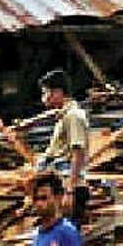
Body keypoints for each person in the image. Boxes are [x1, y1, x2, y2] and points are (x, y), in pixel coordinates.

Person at [38, 69, 89, 223]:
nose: (44, 98)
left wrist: (69, 191)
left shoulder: (74, 115)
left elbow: (77, 153)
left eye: (45, 92)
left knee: (67, 236)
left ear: (58, 92)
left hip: (70, 186)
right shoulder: (63, 116)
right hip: (61, 185)